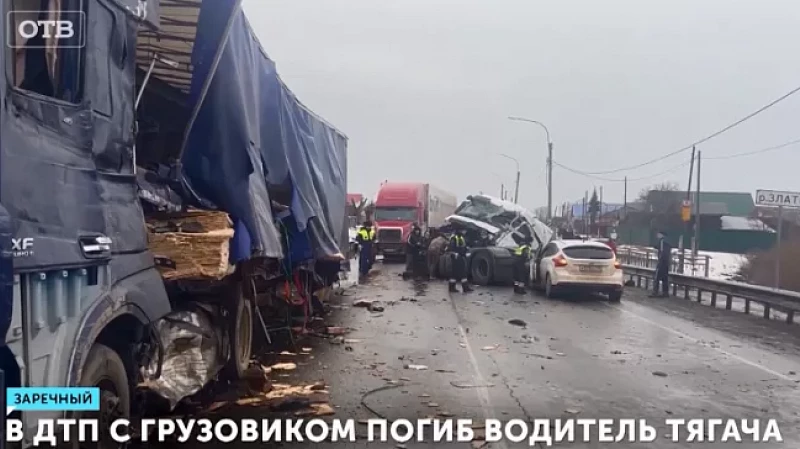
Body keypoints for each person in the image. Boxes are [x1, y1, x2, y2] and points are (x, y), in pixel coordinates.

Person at [447, 229, 472, 293]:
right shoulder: (454, 238)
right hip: (456, 257)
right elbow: (451, 248)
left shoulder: (461, 237)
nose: (464, 231)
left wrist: (466, 251)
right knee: (462, 272)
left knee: (455, 273)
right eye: (463, 230)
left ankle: (452, 287)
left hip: (460, 256)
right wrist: (455, 253)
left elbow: (463, 247)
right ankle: (465, 288)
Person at [650, 230, 671, 297]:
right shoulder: (667, 241)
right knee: (665, 278)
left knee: (656, 277)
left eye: (658, 234)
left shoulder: (662, 241)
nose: (657, 235)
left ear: (662, 235)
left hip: (662, 262)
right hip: (666, 262)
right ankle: (665, 293)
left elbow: (662, 251)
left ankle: (655, 292)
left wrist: (660, 260)